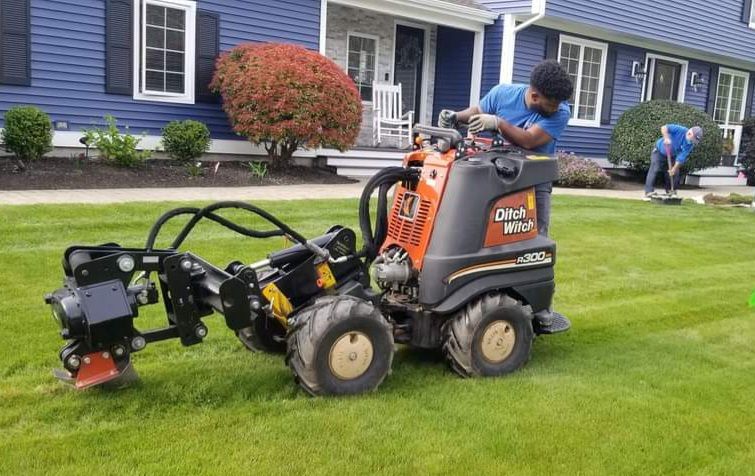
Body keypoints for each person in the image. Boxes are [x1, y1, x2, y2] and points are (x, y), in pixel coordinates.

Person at [437, 59, 573, 330]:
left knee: (536, 243)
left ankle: (541, 308)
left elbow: (528, 140)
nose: (556, 108)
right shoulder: (503, 93)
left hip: (535, 182)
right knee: (484, 239)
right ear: (534, 96)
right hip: (494, 178)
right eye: (551, 103)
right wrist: (455, 116)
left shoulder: (560, 112)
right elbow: (478, 110)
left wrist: (497, 122)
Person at [644, 124, 703, 199]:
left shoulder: (690, 144)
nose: (692, 141)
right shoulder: (680, 130)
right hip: (659, 151)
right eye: (693, 139)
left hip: (672, 155)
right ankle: (648, 192)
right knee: (655, 168)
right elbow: (664, 128)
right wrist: (666, 138)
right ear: (689, 133)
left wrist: (674, 169)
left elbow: (681, 157)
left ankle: (671, 191)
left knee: (674, 173)